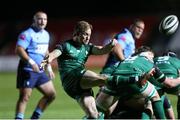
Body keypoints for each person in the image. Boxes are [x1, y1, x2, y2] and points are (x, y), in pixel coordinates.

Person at [40, 20, 119, 119]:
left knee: (93, 115)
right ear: (77, 32)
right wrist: (49, 58)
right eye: (85, 34)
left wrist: (110, 45)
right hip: (73, 76)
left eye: (89, 35)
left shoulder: (87, 47)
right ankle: (128, 82)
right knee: (104, 79)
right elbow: (54, 53)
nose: (88, 37)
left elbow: (101, 50)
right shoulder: (66, 45)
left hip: (76, 88)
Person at [96, 46, 180, 119]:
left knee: (100, 111)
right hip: (133, 86)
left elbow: (106, 75)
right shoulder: (148, 62)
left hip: (117, 83)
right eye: (152, 56)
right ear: (149, 54)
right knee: (153, 98)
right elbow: (169, 84)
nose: (153, 58)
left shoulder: (126, 60)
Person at [15, 11, 56, 119]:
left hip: (40, 70)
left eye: (45, 19)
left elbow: (45, 52)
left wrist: (49, 67)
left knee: (51, 94)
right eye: (40, 19)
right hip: (28, 69)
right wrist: (31, 62)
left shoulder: (46, 34)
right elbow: (19, 50)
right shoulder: (27, 34)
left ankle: (35, 116)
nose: (42, 21)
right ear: (34, 20)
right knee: (25, 97)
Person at [154, 50, 180, 119]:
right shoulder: (176, 60)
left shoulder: (155, 59)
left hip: (157, 82)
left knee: (157, 96)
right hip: (172, 81)